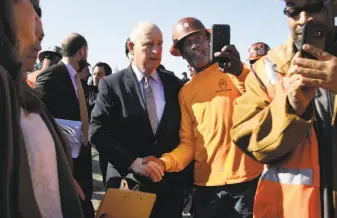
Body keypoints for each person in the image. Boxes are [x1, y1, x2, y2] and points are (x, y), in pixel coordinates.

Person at [144, 17, 262, 218]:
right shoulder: (186, 92)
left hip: (247, 183)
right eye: (187, 43)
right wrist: (165, 162)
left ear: (209, 40)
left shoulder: (235, 70)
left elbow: (262, 97)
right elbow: (188, 144)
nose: (195, 45)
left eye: (199, 38)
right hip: (207, 189)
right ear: (181, 53)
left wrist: (240, 72)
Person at [230, 0, 337, 217]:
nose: (304, 19)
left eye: (315, 6)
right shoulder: (266, 69)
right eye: (293, 11)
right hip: (294, 209)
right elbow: (248, 139)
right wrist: (292, 107)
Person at [89, 22, 190, 218]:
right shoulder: (112, 85)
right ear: (132, 48)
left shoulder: (174, 84)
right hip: (127, 185)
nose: (156, 50)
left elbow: (183, 134)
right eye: (148, 44)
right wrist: (132, 162)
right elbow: (97, 132)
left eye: (160, 44)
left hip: (168, 189)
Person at [0, 0, 83, 217]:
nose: (37, 44)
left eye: (41, 36)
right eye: (32, 12)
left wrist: (58, 174)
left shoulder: (20, 90)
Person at [35, 33, 94, 218]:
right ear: (82, 51)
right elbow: (40, 120)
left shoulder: (79, 81)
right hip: (62, 160)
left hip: (82, 155)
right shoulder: (49, 77)